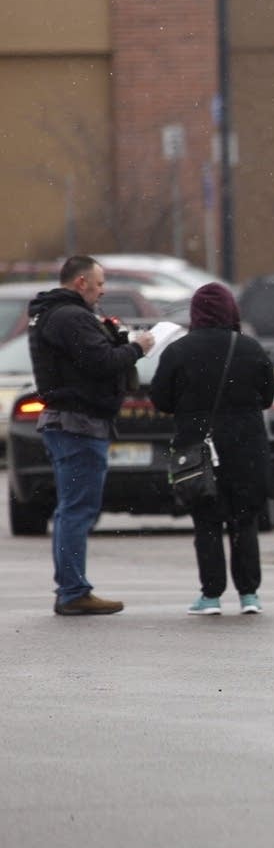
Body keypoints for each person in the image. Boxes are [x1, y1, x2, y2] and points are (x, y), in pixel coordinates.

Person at [26, 255, 157, 616]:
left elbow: (90, 358)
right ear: (81, 282)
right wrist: (137, 348)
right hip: (78, 425)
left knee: (73, 509)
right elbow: (101, 362)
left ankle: (71, 588)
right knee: (77, 510)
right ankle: (72, 592)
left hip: (70, 423)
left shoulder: (54, 315)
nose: (102, 291)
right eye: (99, 284)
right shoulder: (70, 317)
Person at [149, 283, 274, 616]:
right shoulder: (250, 349)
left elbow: (161, 400)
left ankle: (211, 595)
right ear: (230, 311)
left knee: (206, 520)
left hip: (198, 447)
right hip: (246, 446)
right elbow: (267, 397)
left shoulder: (178, 351)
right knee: (244, 520)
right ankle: (249, 594)